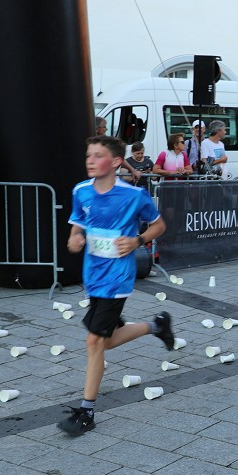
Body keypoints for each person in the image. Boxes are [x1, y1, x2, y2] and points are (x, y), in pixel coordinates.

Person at [58, 135, 174, 436]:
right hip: (93, 275)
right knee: (106, 340)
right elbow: (78, 221)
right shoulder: (81, 191)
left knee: (94, 342)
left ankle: (87, 411)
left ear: (116, 162)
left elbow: (159, 225)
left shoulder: (133, 196)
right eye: (88, 155)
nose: (90, 160)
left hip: (117, 277)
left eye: (97, 155)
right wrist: (75, 236)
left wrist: (137, 240)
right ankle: (157, 326)